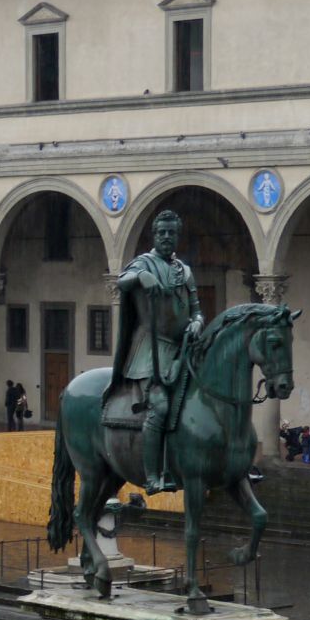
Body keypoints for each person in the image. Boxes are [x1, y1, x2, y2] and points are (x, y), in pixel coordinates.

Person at [108, 210, 204, 494]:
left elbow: (197, 310)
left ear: (177, 236)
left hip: (184, 348)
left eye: (171, 233)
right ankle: (152, 475)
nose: (166, 237)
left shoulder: (184, 271)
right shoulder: (143, 263)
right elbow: (121, 281)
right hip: (151, 349)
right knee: (159, 407)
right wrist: (140, 277)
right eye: (161, 232)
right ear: (154, 234)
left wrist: (198, 323)